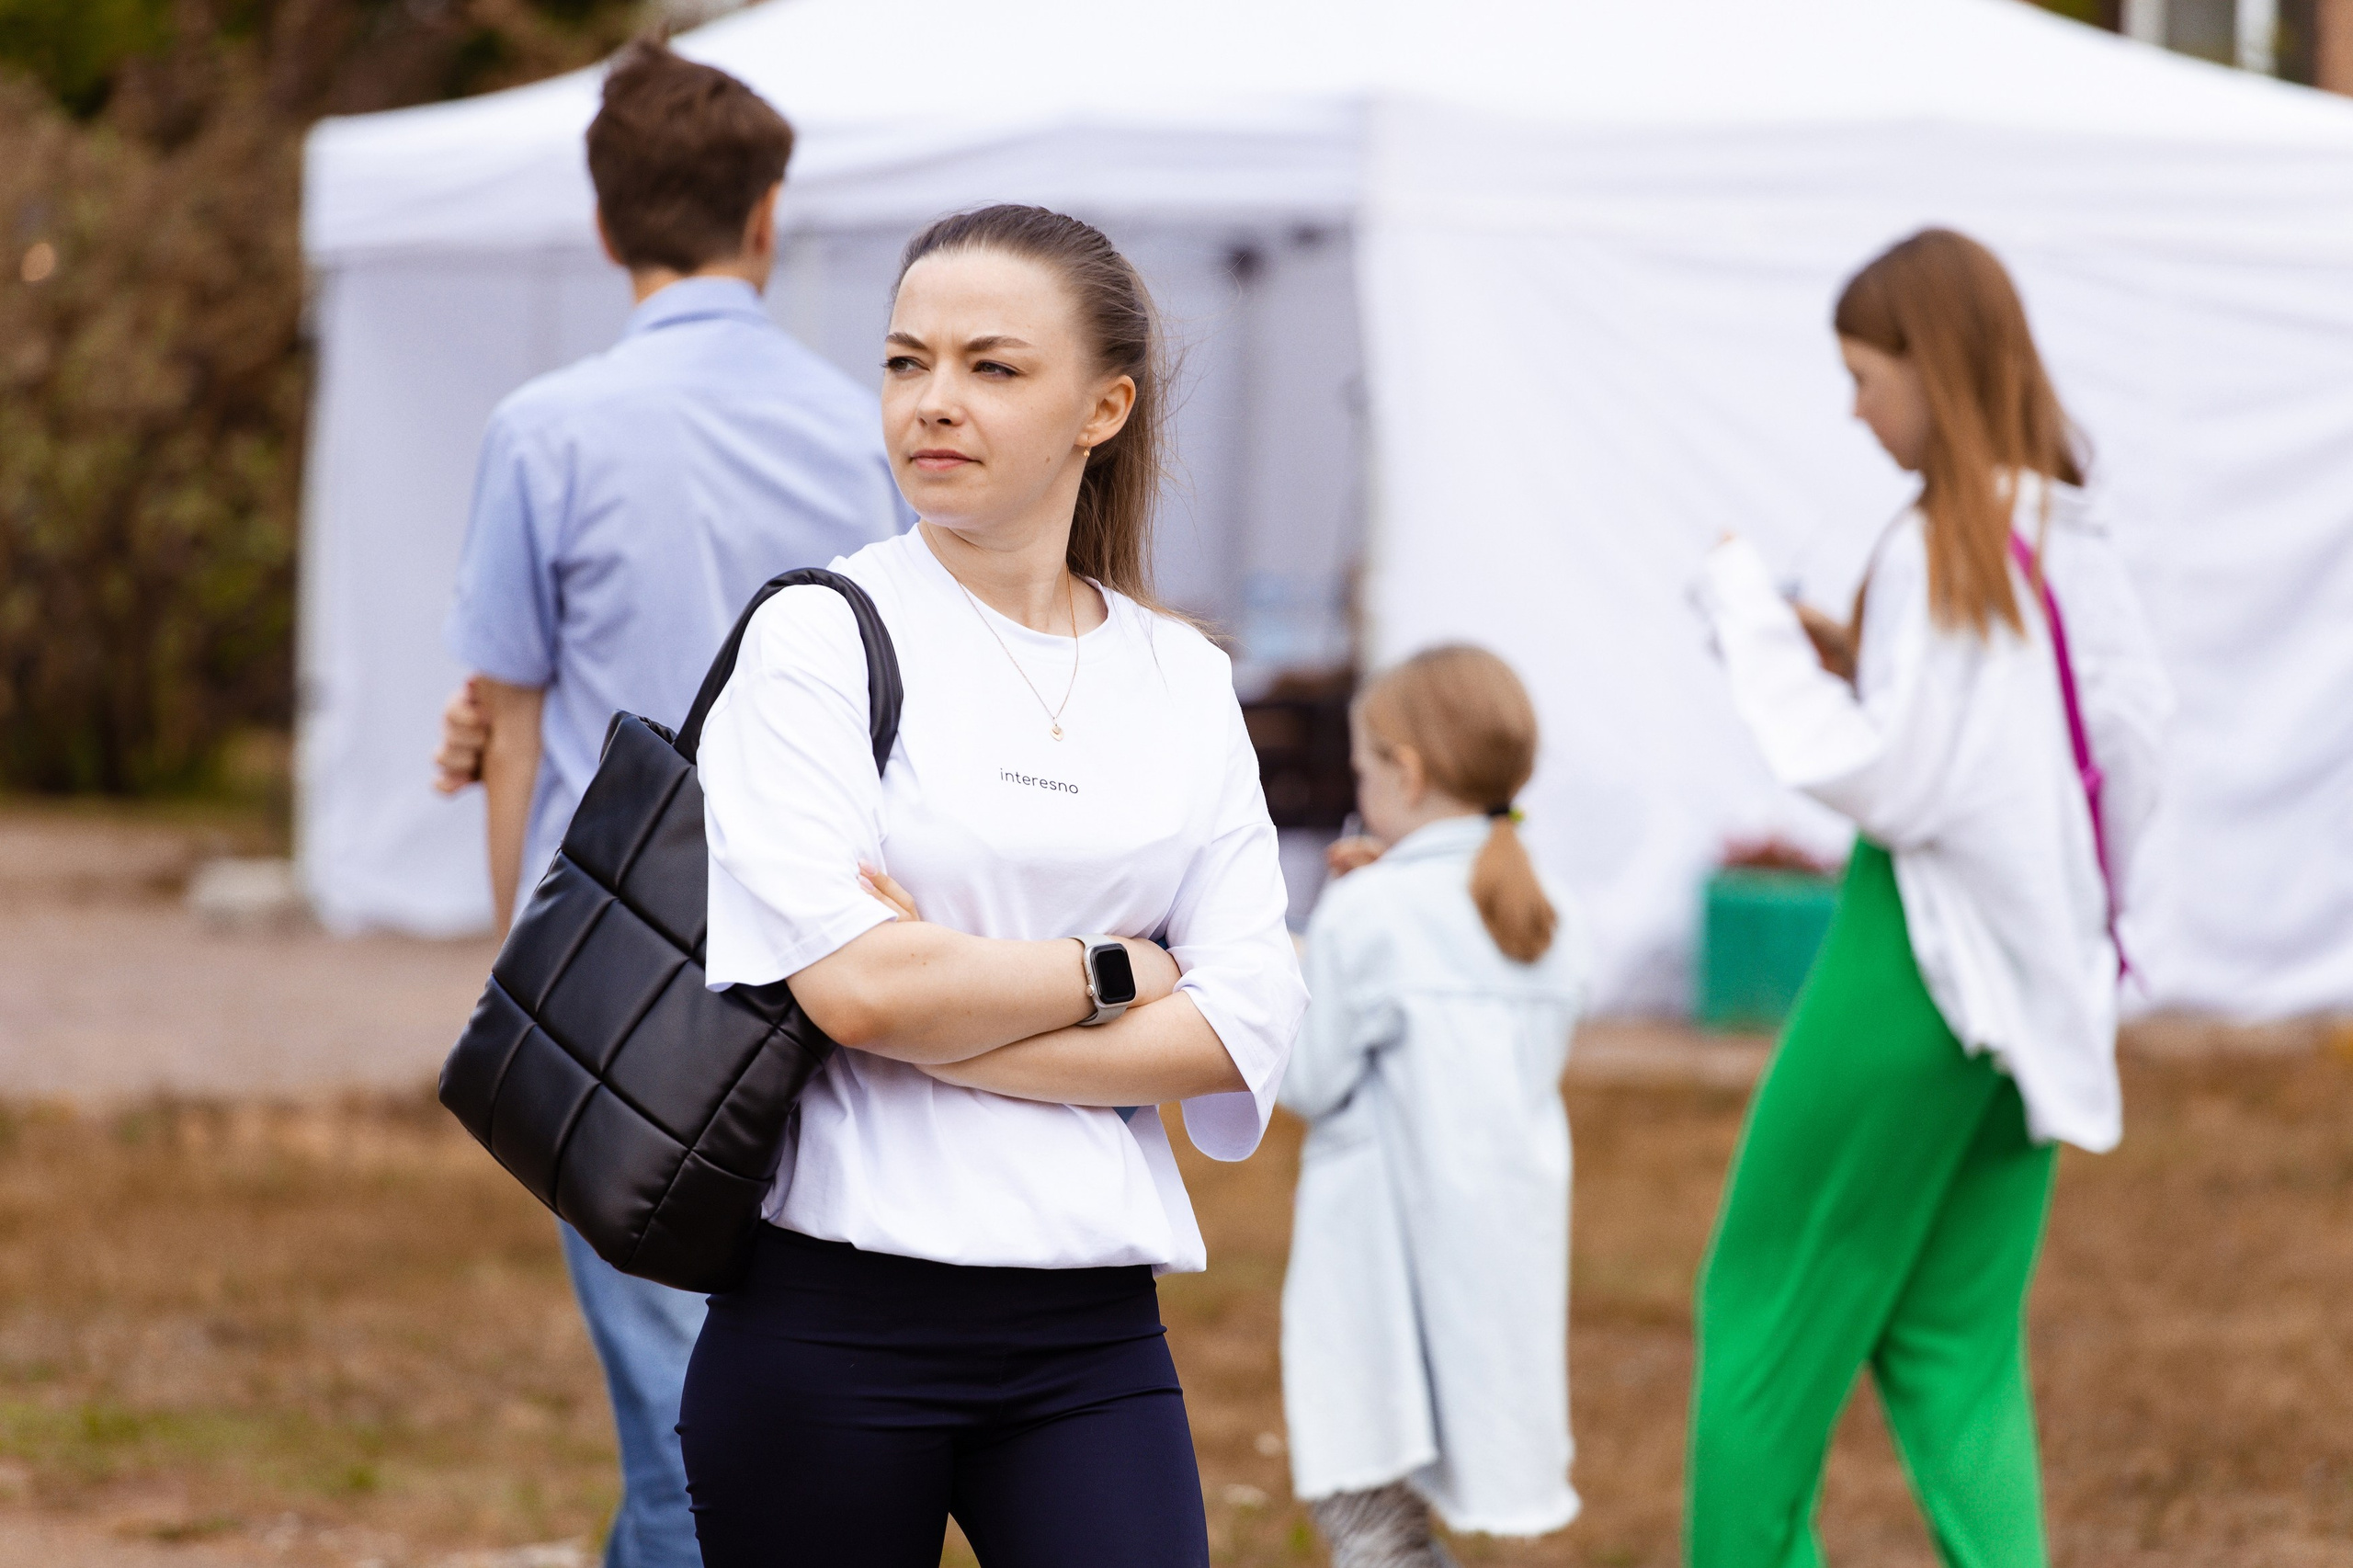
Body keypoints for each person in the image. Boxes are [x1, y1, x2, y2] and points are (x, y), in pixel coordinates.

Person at [673, 203, 1306, 1568]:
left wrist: (937, 997)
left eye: (992, 367)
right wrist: (1111, 971)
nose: (933, 403)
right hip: (828, 1321)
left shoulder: (1182, 677)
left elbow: (1246, 1020)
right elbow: (854, 989)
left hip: (1090, 1332)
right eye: (907, 362)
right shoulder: (817, 636)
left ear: (1104, 406)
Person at [429, 40, 904, 1568]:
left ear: (601, 222)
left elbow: (508, 719)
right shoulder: (866, 428)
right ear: (768, 220)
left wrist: (523, 964)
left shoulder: (544, 428)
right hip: (829, 953)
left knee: (680, 1441)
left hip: (623, 991)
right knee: (764, 1406)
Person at [1686, 228, 2173, 1568]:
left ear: (1931, 367)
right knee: (1953, 1339)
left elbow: (1896, 778)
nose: (1854, 409)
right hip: (2041, 972)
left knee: (1763, 1305)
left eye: (1864, 376)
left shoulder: (1939, 539)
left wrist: (1751, 625)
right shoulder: (2066, 524)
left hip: (1915, 953)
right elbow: (2128, 733)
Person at [1278, 644, 1586, 1568]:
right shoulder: (1545, 910)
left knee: (1366, 1515)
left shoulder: (1369, 913)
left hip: (1372, 1266)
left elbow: (1310, 1078)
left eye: (1365, 765)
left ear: (1404, 771)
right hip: (1494, 1263)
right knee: (1402, 1521)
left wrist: (1318, 941)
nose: (1360, 782)